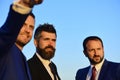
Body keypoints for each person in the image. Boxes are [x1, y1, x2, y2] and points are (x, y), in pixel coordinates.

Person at [0, 0, 43, 80]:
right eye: (23, 24)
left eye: (31, 27)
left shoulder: (23, 60)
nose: (27, 30)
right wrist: (24, 5)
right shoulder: (4, 49)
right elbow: (7, 33)